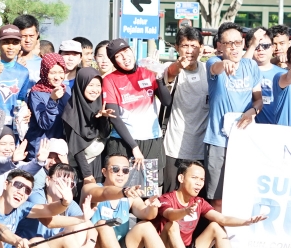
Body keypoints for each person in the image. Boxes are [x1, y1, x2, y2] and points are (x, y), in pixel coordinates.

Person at [83, 153, 192, 248]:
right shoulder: (91, 189)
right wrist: (124, 191)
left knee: (145, 225)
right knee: (104, 225)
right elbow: (104, 193)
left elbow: (147, 214)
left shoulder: (129, 195)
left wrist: (152, 206)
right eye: (115, 169)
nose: (120, 173)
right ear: (104, 172)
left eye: (125, 170)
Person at [155, 161, 266, 248]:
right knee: (172, 225)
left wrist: (246, 222)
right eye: (194, 178)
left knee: (216, 226)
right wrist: (185, 211)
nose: (199, 183)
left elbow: (222, 219)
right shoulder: (166, 199)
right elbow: (170, 214)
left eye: (202, 179)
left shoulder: (199, 201)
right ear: (181, 178)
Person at [206, 24, 262, 205]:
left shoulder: (251, 65)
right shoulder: (213, 62)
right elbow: (216, 68)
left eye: (237, 42)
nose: (234, 47)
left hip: (243, 140)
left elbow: (259, 100)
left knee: (241, 196)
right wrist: (225, 64)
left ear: (243, 44)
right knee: (218, 200)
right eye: (228, 43)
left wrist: (252, 111)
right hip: (218, 141)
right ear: (219, 46)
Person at [101, 38, 172, 174]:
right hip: (123, 143)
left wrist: (159, 77)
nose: (125, 57)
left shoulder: (147, 72)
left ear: (132, 51)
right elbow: (114, 117)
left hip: (152, 139)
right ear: (114, 61)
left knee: (150, 186)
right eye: (118, 55)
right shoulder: (109, 80)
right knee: (123, 184)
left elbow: (167, 102)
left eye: (126, 51)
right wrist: (134, 147)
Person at [60, 67, 136, 186]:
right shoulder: (71, 111)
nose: (95, 90)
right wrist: (87, 174)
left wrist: (103, 118)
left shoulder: (100, 104)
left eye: (98, 85)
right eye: (90, 85)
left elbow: (104, 134)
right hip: (81, 166)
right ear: (81, 85)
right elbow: (76, 147)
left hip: (100, 161)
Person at [162, 27, 208, 192]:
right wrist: (178, 66)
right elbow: (169, 74)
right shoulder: (171, 68)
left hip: (201, 149)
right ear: (176, 47)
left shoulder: (208, 70)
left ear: (201, 48)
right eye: (185, 46)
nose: (189, 51)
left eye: (194, 46)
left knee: (197, 198)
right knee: (171, 195)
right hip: (173, 147)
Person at [0, 24, 32, 120]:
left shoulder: (23, 72)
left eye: (15, 43)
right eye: (6, 42)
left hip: (11, 123)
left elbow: (21, 100)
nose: (11, 47)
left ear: (20, 46)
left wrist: (25, 111)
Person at [26, 53, 69, 148]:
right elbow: (44, 124)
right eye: (52, 73)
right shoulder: (36, 93)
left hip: (60, 146)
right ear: (44, 72)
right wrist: (52, 100)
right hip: (41, 146)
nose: (57, 77)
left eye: (61, 72)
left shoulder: (66, 90)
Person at [252, 28, 284, 124]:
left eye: (265, 46)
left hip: (276, 127)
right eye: (256, 46)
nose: (261, 49)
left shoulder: (284, 74)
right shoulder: (244, 72)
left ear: (273, 48)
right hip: (248, 127)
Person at [14, 14, 42, 81]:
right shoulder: (7, 62)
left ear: (37, 35)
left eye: (31, 36)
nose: (28, 40)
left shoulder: (42, 64)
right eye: (23, 36)